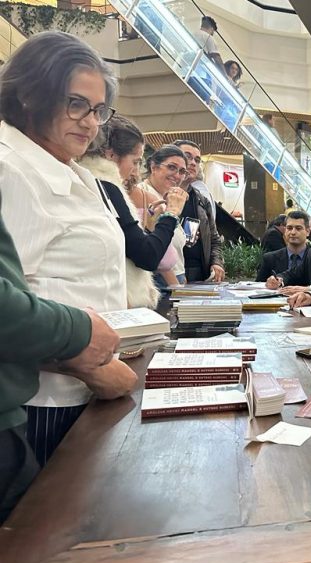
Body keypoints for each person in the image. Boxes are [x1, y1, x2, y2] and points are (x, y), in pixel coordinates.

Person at [0, 31, 138, 466]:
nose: (90, 122)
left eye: (98, 110)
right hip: (43, 404)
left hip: (88, 391)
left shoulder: (72, 170)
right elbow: (13, 310)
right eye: (75, 104)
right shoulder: (10, 168)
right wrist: (82, 362)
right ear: (29, 95)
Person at [0, 205, 122, 523]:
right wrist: (77, 333)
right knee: (39, 546)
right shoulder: (13, 167)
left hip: (67, 385)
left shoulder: (79, 178)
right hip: (42, 395)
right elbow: (18, 286)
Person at [80, 115, 184, 308]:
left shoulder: (84, 180)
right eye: (135, 162)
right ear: (111, 155)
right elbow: (147, 255)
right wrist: (171, 214)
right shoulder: (106, 188)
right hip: (116, 304)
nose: (135, 171)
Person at [173, 139, 225, 283]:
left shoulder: (201, 200)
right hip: (167, 272)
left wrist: (216, 263)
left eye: (197, 159)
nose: (193, 163)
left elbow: (214, 239)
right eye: (188, 156)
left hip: (198, 272)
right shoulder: (158, 194)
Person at [139, 145, 190, 287]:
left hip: (176, 276)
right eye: (172, 167)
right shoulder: (143, 195)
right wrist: (175, 286)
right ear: (154, 166)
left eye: (182, 171)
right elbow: (158, 250)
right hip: (162, 281)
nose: (177, 175)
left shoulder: (168, 198)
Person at [255, 210, 310, 282]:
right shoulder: (270, 259)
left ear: (308, 231)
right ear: (285, 230)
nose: (293, 232)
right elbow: (257, 287)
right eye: (289, 228)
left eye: (298, 228)